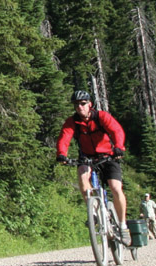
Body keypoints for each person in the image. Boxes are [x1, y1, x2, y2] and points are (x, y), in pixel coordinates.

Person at [56, 90, 131, 243]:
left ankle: (123, 226)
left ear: (90, 104)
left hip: (108, 156)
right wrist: (61, 154)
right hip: (87, 157)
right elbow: (65, 137)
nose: (79, 107)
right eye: (76, 104)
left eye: (83, 104)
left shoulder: (101, 117)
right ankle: (94, 212)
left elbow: (116, 130)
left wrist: (119, 147)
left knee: (115, 188)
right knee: (83, 178)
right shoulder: (72, 122)